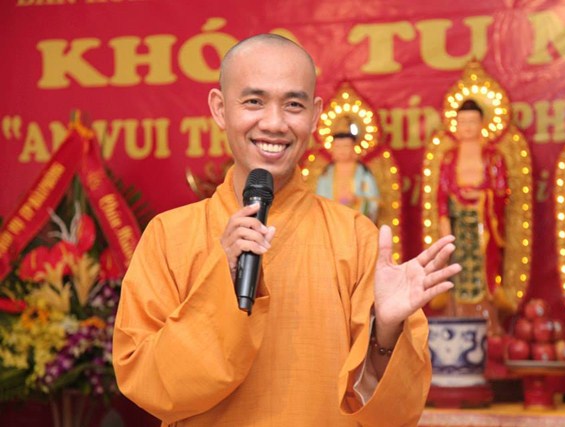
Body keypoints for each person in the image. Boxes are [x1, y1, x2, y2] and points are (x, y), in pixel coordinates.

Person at [113, 34, 461, 426]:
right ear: (220, 108)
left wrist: (387, 331)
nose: (275, 123)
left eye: (293, 105)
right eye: (254, 101)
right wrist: (220, 282)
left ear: (314, 116)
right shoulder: (168, 236)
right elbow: (147, 385)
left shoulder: (355, 237)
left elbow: (396, 413)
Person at [437, 99, 508, 336]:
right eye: (463, 122)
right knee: (457, 271)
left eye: (472, 121)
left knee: (483, 270)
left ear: (482, 124)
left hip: (483, 225)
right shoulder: (449, 158)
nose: (467, 127)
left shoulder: (493, 157)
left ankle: (486, 319)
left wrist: (483, 196)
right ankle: (457, 317)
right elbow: (442, 194)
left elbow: (501, 191)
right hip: (458, 224)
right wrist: (444, 221)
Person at [316, 132, 380, 222]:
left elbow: (373, 201)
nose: (341, 150)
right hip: (333, 220)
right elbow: (320, 200)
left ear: (353, 148)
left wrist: (357, 200)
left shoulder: (363, 172)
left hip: (357, 222)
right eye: (337, 147)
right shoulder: (326, 174)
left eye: (346, 146)